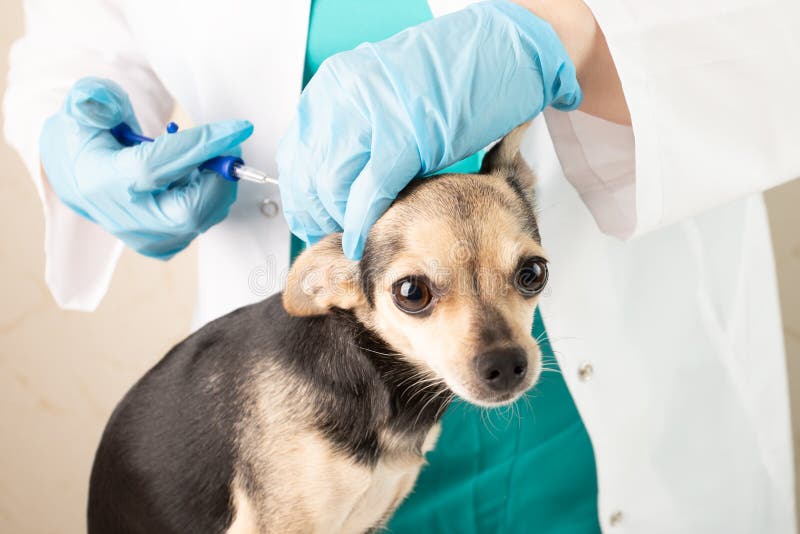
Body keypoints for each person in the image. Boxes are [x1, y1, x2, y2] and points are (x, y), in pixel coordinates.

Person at [4, 0, 799, 531]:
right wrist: (71, 138)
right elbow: (74, 38)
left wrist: (573, 33)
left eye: (527, 276)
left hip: (608, 413)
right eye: (421, 291)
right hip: (302, 417)